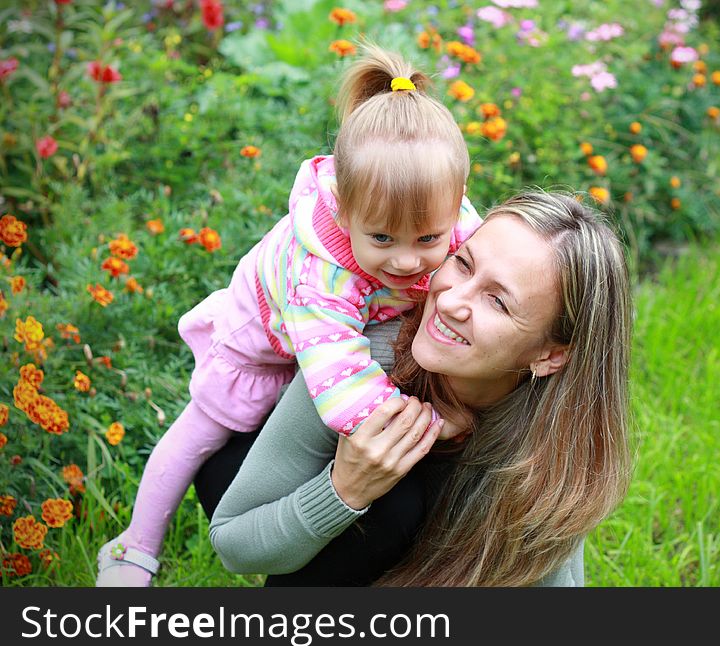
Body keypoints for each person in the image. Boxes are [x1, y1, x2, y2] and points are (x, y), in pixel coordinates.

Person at [95, 44, 482, 586]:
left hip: (331, 339)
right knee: (196, 437)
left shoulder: (454, 220)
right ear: (344, 209)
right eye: (381, 238)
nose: (406, 260)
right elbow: (341, 383)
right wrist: (432, 425)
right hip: (257, 350)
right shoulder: (320, 278)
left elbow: (479, 262)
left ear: (456, 202)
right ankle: (134, 548)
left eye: (428, 238)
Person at [208, 191, 633, 586]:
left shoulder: (551, 444)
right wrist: (344, 489)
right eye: (463, 263)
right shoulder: (358, 362)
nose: (449, 301)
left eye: (497, 301)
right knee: (394, 506)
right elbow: (235, 544)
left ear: (551, 355)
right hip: (266, 474)